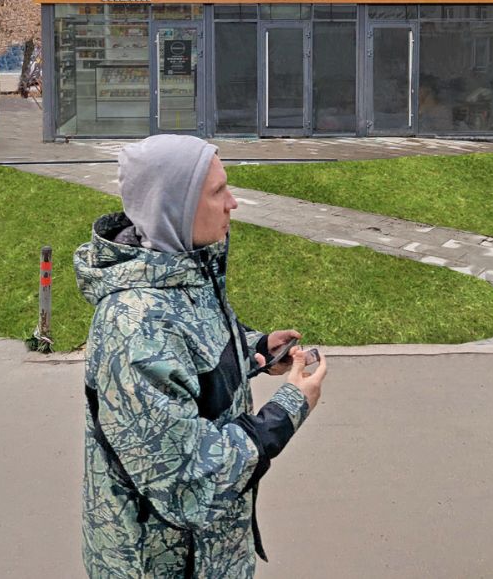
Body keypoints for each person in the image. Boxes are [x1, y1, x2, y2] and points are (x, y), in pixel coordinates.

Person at [76, 135, 328, 577]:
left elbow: (192, 351)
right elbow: (187, 480)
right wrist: (287, 410)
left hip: (211, 554)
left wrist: (255, 351)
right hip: (161, 564)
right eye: (217, 191)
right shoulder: (134, 325)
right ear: (175, 207)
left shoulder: (183, 271)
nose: (233, 203)